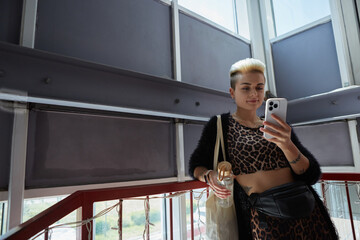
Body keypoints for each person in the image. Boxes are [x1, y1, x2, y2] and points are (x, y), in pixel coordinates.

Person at [189, 58, 338, 239]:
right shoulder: (219, 125)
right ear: (232, 92)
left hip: (307, 210)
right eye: (246, 88)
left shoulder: (277, 124)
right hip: (264, 219)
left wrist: (287, 144)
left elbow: (310, 174)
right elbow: (196, 165)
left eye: (259, 87)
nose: (254, 93)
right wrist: (208, 176)